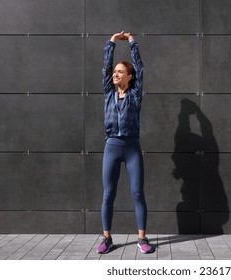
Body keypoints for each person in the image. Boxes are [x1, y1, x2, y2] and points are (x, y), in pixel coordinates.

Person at [97, 31, 153, 254]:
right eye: (115, 72)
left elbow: (140, 67)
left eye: (120, 72)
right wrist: (111, 42)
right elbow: (105, 67)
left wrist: (131, 42)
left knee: (137, 193)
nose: (115, 74)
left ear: (130, 77)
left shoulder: (136, 94)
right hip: (112, 146)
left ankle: (142, 239)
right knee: (108, 194)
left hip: (131, 148)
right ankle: (107, 238)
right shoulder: (109, 93)